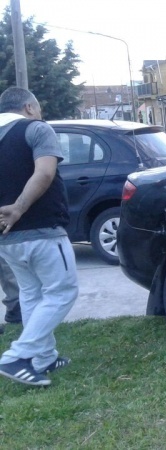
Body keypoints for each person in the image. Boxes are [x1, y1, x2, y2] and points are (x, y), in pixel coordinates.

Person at [0, 87, 78, 386]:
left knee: (32, 293)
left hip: (7, 238)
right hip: (42, 230)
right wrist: (19, 208)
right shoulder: (36, 128)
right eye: (38, 107)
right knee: (62, 291)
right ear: (29, 107)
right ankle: (16, 357)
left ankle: (42, 357)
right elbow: (45, 173)